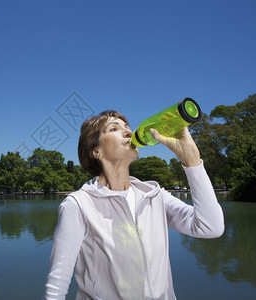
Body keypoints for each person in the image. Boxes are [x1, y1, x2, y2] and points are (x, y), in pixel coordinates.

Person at [44, 111, 224, 300]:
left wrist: (192, 161)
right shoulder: (79, 204)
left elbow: (210, 227)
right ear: (96, 151)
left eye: (127, 128)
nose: (128, 133)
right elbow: (57, 285)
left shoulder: (154, 195)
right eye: (114, 128)